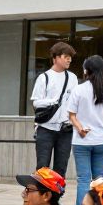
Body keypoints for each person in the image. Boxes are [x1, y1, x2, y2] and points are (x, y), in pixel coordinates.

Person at [67, 54, 103, 205]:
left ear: (86, 71)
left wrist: (80, 128)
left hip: (82, 140)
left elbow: (71, 115)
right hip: (102, 140)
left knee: (83, 179)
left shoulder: (79, 89)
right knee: (101, 179)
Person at [31, 41, 77, 177]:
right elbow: (36, 102)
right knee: (42, 168)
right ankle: (41, 196)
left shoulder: (72, 78)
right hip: (45, 128)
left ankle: (56, 197)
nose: (69, 59)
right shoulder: (44, 77)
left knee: (61, 168)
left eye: (70, 56)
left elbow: (75, 103)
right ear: (55, 57)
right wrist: (53, 101)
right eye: (65, 56)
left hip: (66, 129)